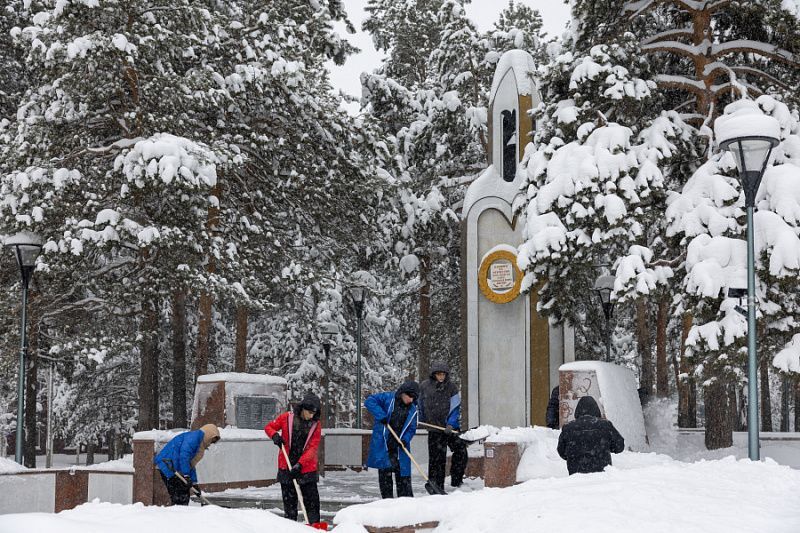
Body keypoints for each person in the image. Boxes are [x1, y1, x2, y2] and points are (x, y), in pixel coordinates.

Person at [265, 393, 322, 524]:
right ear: (302, 408)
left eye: (314, 413)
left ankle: (314, 527)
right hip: (287, 466)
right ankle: (291, 528)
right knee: (290, 507)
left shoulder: (315, 424)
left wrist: (300, 465)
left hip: (306, 469)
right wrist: (274, 436)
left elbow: (312, 448)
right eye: (309, 412)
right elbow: (269, 427)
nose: (311, 416)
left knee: (312, 504)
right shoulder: (287, 418)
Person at [365, 381, 419, 499]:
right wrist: (381, 415)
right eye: (409, 396)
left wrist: (405, 440)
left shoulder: (412, 410)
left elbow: (412, 428)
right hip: (385, 445)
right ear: (403, 393)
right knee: (385, 476)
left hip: (400, 447)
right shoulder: (388, 398)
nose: (411, 400)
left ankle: (405, 506)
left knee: (403, 479)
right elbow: (369, 401)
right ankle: (387, 504)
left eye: (413, 398)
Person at [419, 360, 467, 491]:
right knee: (436, 459)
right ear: (433, 374)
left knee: (461, 450)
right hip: (434, 429)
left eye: (443, 374)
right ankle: (435, 485)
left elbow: (455, 407)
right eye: (438, 374)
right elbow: (420, 405)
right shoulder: (424, 387)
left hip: (450, 428)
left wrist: (451, 424)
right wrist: (420, 420)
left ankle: (457, 480)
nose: (441, 377)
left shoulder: (451, 388)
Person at [154, 424, 220, 505]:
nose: (210, 444)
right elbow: (184, 456)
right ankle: (178, 514)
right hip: (168, 465)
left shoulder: (199, 443)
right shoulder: (193, 438)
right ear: (208, 435)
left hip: (174, 467)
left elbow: (190, 465)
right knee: (180, 495)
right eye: (211, 440)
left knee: (182, 494)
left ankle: (179, 513)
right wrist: (186, 475)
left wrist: (194, 483)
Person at [557, 396, 624, 475]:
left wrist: (574, 455)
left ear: (578, 410)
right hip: (603, 474)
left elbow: (561, 450)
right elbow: (619, 446)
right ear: (596, 409)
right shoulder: (605, 425)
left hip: (576, 475)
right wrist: (605, 447)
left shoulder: (568, 428)